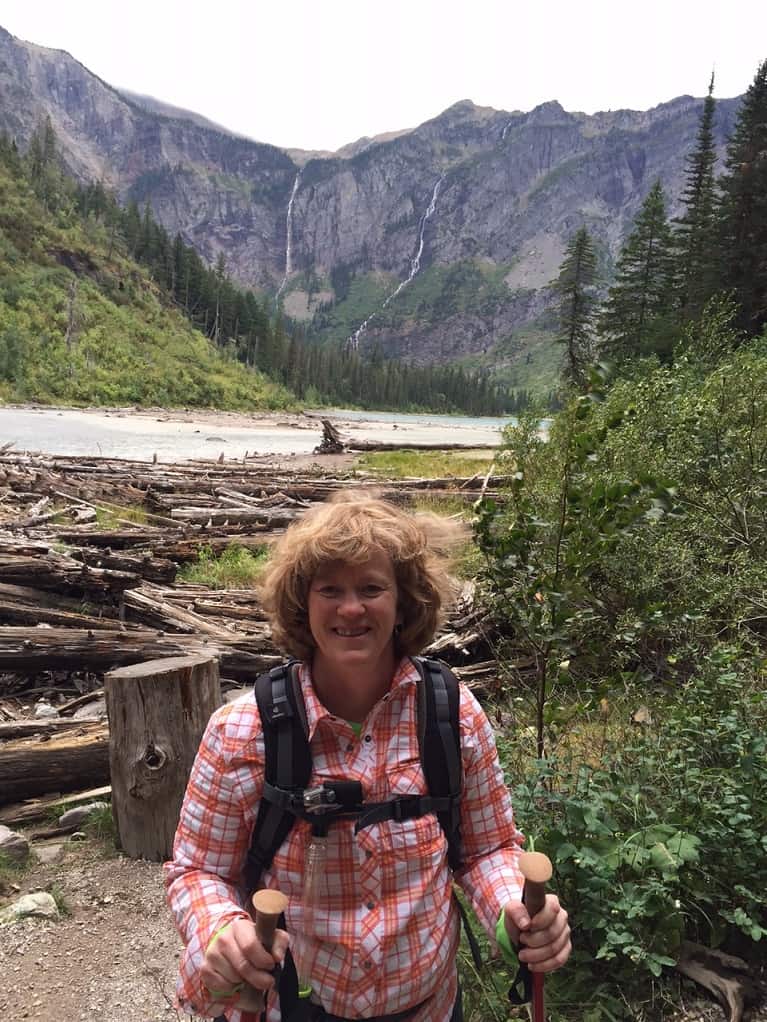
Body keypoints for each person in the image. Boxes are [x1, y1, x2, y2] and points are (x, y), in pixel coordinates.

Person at [165, 492, 571, 1022]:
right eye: (330, 589)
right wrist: (220, 928)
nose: (350, 608)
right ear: (302, 603)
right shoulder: (243, 732)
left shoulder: (452, 715)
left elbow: (487, 848)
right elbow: (197, 872)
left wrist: (512, 911)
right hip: (292, 1009)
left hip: (429, 1008)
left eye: (372, 588)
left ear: (404, 603)